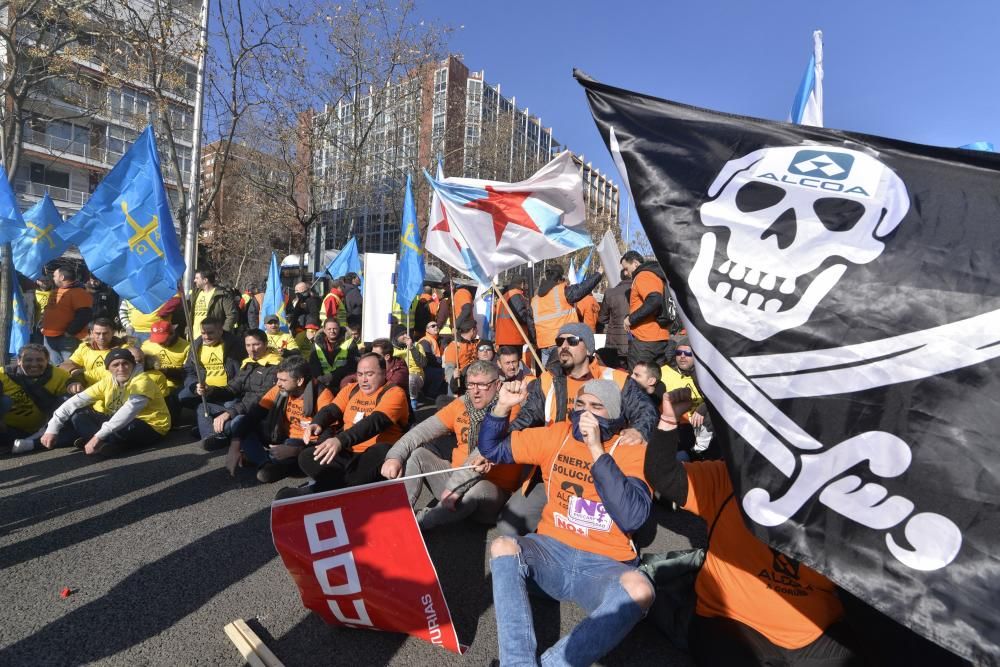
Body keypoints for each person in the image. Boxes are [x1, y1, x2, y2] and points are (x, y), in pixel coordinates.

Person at [644, 389, 862, 666]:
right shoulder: (730, 480)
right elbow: (663, 475)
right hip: (732, 621)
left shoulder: (849, 505)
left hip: (812, 637)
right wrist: (668, 419)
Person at [478, 378, 655, 666]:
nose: (585, 415)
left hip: (604, 565)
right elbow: (492, 449)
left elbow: (632, 516)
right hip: (551, 551)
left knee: (641, 590)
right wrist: (501, 406)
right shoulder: (557, 434)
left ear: (613, 414)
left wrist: (597, 449)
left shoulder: (633, 449)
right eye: (580, 405)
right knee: (502, 546)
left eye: (596, 407)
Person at [503, 322, 657, 537]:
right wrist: (497, 445)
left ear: (589, 348)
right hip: (555, 469)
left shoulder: (615, 379)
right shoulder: (547, 381)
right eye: (560, 341)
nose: (564, 345)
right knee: (508, 526)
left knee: (611, 533)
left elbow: (645, 410)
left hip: (602, 469)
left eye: (573, 340)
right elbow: (524, 420)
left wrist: (639, 430)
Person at [381, 360, 524, 531]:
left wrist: (454, 487)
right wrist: (394, 456)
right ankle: (399, 512)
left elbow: (482, 453)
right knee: (418, 454)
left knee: (477, 488)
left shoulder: (510, 408)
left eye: (483, 385)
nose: (475, 391)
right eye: (471, 384)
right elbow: (421, 431)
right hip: (453, 484)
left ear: (498, 385)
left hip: (489, 492)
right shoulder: (461, 404)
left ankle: (417, 524)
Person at [278, 353, 410, 497]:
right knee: (307, 456)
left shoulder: (394, 392)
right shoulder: (351, 389)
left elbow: (374, 422)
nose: (363, 380)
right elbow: (331, 410)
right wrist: (317, 422)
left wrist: (340, 440)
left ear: (384, 373)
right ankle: (346, 487)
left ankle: (316, 491)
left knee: (381, 450)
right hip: (348, 454)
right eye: (360, 374)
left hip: (376, 453)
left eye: (369, 374)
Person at [40, 348, 170, 456]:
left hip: (151, 425)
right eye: (115, 365)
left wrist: (98, 436)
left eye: (125, 363)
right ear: (108, 368)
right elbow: (76, 401)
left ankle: (97, 441)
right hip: (115, 420)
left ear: (133, 365)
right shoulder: (107, 381)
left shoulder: (142, 381)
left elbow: (128, 411)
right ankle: (107, 445)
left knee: (127, 426)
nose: (121, 368)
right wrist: (52, 428)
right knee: (78, 415)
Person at [234, 356, 334, 483]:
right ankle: (265, 461)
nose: (278, 383)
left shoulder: (323, 395)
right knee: (238, 422)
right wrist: (234, 446)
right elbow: (254, 415)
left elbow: (328, 437)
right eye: (278, 379)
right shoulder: (279, 389)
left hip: (304, 443)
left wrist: (296, 450)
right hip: (279, 434)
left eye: (283, 380)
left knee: (293, 450)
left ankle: (265, 460)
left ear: (299, 381)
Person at [196, 328, 282, 454]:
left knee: (237, 421)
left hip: (258, 413)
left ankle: (217, 430)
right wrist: (210, 390)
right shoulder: (248, 363)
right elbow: (232, 388)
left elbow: (260, 398)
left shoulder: (275, 366)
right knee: (203, 407)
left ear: (265, 343)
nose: (252, 349)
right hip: (240, 407)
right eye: (248, 345)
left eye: (256, 344)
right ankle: (214, 435)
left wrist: (229, 413)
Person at [1, 344, 71, 451]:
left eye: (39, 360)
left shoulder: (60, 376)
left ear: (47, 360)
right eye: (28, 360)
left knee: (69, 401)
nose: (34, 364)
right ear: (19, 361)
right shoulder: (4, 375)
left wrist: (77, 379)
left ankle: (34, 442)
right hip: (7, 429)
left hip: (44, 430)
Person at [531, 264, 601, 367]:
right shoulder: (562, 291)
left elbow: (531, 324)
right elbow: (583, 288)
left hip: (544, 345)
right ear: (560, 279)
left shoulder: (535, 300)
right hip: (562, 343)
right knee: (565, 378)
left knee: (549, 379)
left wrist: (534, 341)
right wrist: (598, 274)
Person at [178, 317, 245, 412]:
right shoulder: (196, 345)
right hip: (203, 390)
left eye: (210, 333)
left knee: (230, 408)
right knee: (181, 397)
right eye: (203, 333)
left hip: (227, 392)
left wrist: (217, 390)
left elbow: (243, 373)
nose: (206, 337)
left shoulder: (237, 345)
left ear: (220, 331)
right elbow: (189, 370)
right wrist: (195, 386)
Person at [621, 250, 672, 369]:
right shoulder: (653, 275)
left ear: (635, 263)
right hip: (655, 338)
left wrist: (631, 319)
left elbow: (654, 300)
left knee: (638, 382)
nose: (625, 272)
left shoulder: (644, 275)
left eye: (626, 268)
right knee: (653, 381)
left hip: (645, 341)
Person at [40, 265, 93, 364]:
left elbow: (85, 315)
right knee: (54, 367)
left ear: (62, 277)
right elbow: (49, 310)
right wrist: (42, 325)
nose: (53, 278)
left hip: (66, 338)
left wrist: (70, 332)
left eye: (55, 275)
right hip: (48, 336)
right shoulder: (56, 291)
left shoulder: (79, 292)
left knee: (69, 366)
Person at [140, 320, 190, 420]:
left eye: (163, 339)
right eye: (157, 340)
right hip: (150, 382)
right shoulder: (147, 344)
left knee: (170, 398)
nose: (160, 343)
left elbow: (188, 374)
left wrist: (167, 371)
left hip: (172, 384)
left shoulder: (187, 347)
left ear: (173, 333)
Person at [61, 318, 126, 393]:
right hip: (87, 390)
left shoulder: (123, 349)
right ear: (91, 333)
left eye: (105, 333)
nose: (101, 337)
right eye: (98, 333)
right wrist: (74, 371)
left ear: (113, 332)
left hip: (113, 390)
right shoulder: (85, 347)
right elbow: (67, 363)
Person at [309, 318, 359, 391]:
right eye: (329, 329)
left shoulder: (350, 343)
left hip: (344, 383)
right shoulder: (316, 344)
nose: (332, 331)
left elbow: (352, 365)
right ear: (324, 330)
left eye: (335, 329)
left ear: (339, 329)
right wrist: (321, 379)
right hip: (322, 384)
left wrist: (332, 376)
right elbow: (313, 365)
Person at [598, 269, 633, 369]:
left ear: (621, 277)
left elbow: (602, 318)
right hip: (635, 341)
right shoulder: (640, 291)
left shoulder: (610, 293)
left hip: (615, 342)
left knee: (615, 374)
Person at [494, 275, 535, 352]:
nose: (526, 287)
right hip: (513, 338)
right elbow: (521, 316)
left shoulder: (503, 297)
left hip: (503, 338)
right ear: (522, 284)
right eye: (525, 284)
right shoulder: (516, 295)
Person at [192, 269, 238, 334]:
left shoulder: (222, 294)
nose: (194, 280)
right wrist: (188, 330)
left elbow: (232, 315)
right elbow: (191, 315)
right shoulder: (195, 294)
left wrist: (223, 333)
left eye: (197, 278)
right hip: (194, 338)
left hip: (213, 339)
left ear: (205, 280)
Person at [391, 327, 426, 410]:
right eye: (402, 334)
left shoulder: (417, 345)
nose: (406, 336)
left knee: (410, 378)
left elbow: (423, 363)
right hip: (399, 376)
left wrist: (411, 347)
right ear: (396, 337)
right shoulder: (392, 349)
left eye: (406, 333)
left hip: (416, 376)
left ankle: (413, 399)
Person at [442, 321, 478, 394]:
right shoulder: (453, 347)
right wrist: (454, 383)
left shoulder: (475, 343)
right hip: (460, 382)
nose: (477, 331)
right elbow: (449, 369)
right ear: (472, 330)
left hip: (475, 380)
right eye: (476, 329)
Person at [417, 320, 444, 398]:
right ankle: (430, 393)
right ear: (427, 330)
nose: (436, 327)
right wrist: (442, 361)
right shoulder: (425, 341)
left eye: (436, 325)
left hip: (432, 366)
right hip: (424, 369)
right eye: (432, 326)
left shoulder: (438, 339)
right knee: (442, 372)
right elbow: (429, 359)